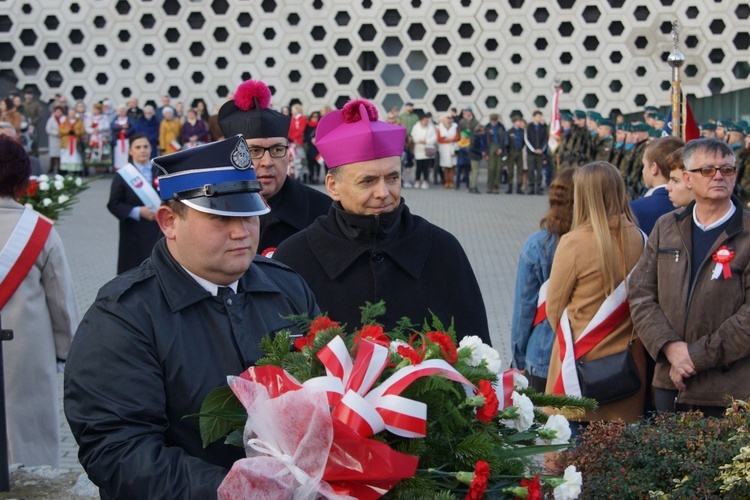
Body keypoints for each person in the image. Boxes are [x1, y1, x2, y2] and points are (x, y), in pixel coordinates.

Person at [64, 135, 320, 498]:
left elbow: (327, 394)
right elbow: (118, 451)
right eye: (220, 217)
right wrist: (238, 490)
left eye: (249, 214)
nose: (241, 232)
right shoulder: (124, 316)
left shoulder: (287, 287)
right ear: (169, 221)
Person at [273, 98, 492, 343]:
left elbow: (477, 356)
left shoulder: (442, 249)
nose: (383, 192)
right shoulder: (295, 256)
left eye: (392, 177)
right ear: (333, 186)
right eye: (367, 181)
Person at [630, 138, 750, 417]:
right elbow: (641, 294)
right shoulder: (667, 226)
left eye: (727, 170)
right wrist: (670, 348)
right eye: (708, 170)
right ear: (687, 177)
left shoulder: (746, 233)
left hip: (727, 392)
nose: (719, 176)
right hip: (669, 386)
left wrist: (695, 356)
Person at [545, 162, 647, 433]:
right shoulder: (642, 238)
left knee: (570, 469)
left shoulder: (574, 242)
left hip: (579, 373)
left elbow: (553, 309)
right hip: (626, 375)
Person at [0, 136, 79, 467]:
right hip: (25, 355)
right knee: (27, 440)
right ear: (23, 180)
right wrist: (65, 353)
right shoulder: (39, 231)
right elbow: (61, 301)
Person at [218, 79, 331, 256]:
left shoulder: (324, 213)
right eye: (254, 151)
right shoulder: (210, 213)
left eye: (277, 149)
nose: (268, 162)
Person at [512, 168, 575, 392]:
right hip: (584, 353)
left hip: (542, 353)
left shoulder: (538, 245)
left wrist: (518, 358)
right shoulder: (599, 244)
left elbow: (524, 308)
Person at [107, 133, 163, 274]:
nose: (142, 150)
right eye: (138, 147)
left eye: (145, 146)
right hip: (134, 234)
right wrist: (138, 212)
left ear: (151, 149)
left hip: (160, 231)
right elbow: (113, 204)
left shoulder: (161, 171)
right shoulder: (123, 175)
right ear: (131, 151)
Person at [630, 136, 685, 235]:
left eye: (644, 165)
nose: (643, 170)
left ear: (653, 168)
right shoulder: (693, 207)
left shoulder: (633, 209)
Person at [524, 110, 549, 195]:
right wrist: (533, 149)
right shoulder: (529, 127)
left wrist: (541, 149)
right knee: (531, 170)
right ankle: (531, 187)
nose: (540, 118)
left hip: (540, 153)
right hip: (531, 153)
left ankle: (538, 187)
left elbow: (545, 139)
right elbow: (527, 139)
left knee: (539, 170)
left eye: (540, 116)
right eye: (538, 116)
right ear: (534, 117)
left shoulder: (543, 127)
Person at [411, 113, 437, 189]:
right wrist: (419, 140)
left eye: (427, 120)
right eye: (424, 120)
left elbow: (434, 137)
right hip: (419, 148)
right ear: (421, 120)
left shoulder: (431, 127)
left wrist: (427, 141)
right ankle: (417, 180)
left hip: (427, 149)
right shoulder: (416, 127)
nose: (426, 122)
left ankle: (426, 180)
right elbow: (413, 136)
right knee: (418, 166)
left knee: (426, 167)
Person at [484, 113, 507, 194]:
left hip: (499, 146)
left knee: (498, 169)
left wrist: (501, 148)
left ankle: (496, 186)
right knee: (491, 168)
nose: (494, 122)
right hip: (490, 147)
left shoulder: (501, 127)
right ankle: (489, 186)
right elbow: (484, 140)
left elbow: (504, 139)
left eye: (495, 120)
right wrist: (485, 153)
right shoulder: (487, 127)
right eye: (492, 120)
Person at [58, 107, 85, 175]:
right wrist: (68, 131)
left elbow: (82, 131)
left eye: (73, 113)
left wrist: (75, 132)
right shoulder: (64, 121)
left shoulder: (79, 121)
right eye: (70, 113)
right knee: (65, 156)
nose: (71, 114)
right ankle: (65, 170)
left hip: (75, 142)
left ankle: (75, 171)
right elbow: (61, 130)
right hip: (66, 142)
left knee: (75, 156)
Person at [436, 112, 458, 188]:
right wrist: (449, 140)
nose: (449, 120)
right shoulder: (440, 127)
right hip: (443, 149)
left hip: (452, 148)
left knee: (452, 167)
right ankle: (446, 181)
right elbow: (439, 139)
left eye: (450, 119)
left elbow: (456, 137)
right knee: (445, 167)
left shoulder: (455, 127)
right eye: (447, 118)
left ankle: (451, 181)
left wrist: (448, 139)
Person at [111, 104, 135, 170]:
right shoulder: (116, 118)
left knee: (126, 154)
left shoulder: (129, 118)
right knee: (118, 155)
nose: (122, 112)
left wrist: (126, 131)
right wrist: (121, 127)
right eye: (120, 111)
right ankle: (117, 168)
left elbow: (133, 127)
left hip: (126, 139)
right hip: (118, 140)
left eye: (123, 111)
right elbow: (112, 126)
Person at [506, 113, 525, 194]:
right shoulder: (510, 131)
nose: (519, 123)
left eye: (520, 121)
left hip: (519, 151)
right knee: (510, 170)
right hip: (511, 151)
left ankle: (519, 187)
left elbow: (524, 141)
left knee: (520, 170)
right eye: (517, 121)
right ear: (514, 122)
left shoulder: (522, 131)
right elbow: (507, 142)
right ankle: (509, 186)